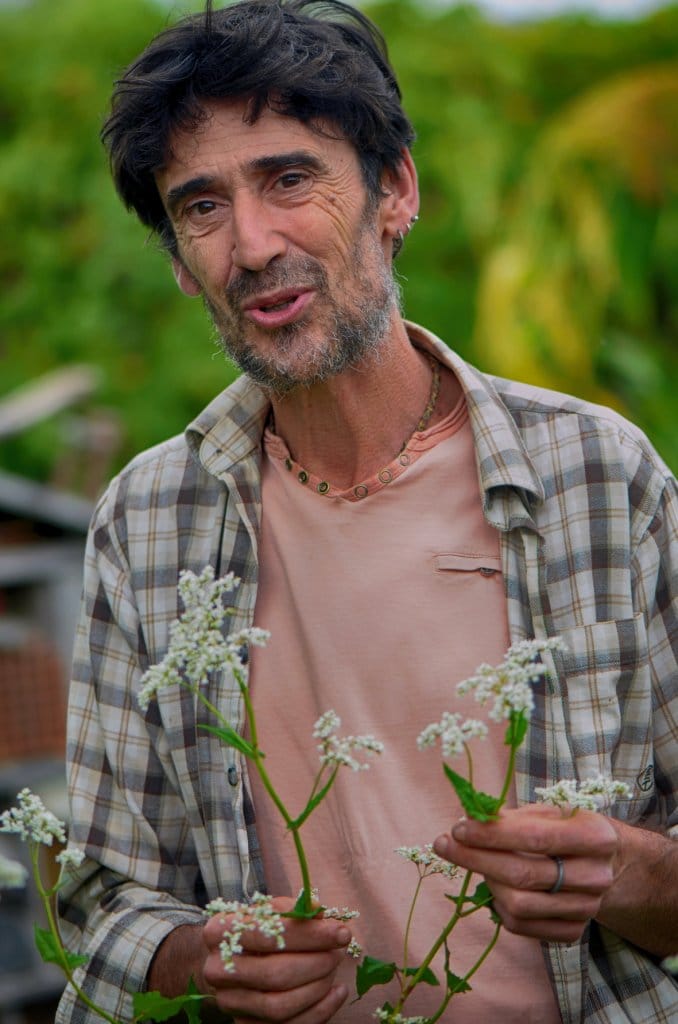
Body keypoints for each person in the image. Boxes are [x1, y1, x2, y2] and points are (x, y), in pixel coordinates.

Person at [56, 2, 678, 1022]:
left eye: (290, 179)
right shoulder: (147, 521)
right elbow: (96, 895)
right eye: (201, 206)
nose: (252, 245)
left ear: (396, 191)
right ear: (178, 262)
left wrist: (629, 871)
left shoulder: (599, 477)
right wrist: (193, 958)